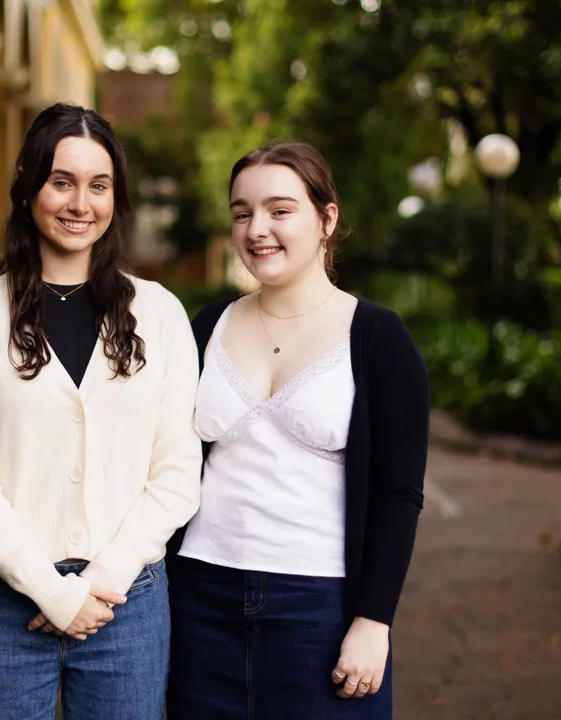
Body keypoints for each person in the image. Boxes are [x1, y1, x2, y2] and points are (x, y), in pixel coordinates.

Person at [0, 102, 202, 720]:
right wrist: (53, 592)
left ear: (116, 198)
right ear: (27, 185)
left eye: (99, 186)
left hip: (126, 601)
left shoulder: (158, 315)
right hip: (0, 603)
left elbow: (178, 471)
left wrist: (101, 580)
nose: (81, 203)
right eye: (62, 181)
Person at [167, 141, 430, 719]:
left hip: (321, 608)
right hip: (198, 598)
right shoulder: (207, 326)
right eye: (242, 213)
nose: (257, 228)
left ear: (326, 219)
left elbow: (398, 493)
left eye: (280, 210)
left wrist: (373, 620)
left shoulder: (380, 337)